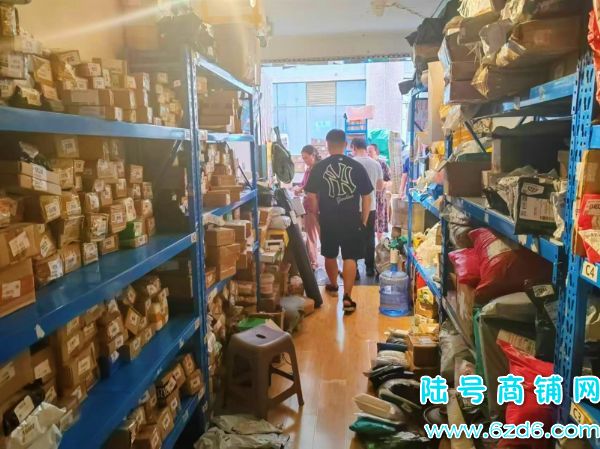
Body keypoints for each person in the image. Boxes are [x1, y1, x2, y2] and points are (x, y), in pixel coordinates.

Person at [305, 129, 373, 314]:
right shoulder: (356, 166)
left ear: (327, 145)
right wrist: (364, 220)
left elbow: (311, 196)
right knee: (350, 257)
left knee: (330, 254)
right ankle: (348, 297)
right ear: (345, 144)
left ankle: (334, 285)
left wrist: (316, 215)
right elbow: (367, 197)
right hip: (351, 219)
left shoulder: (318, 167)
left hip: (328, 218)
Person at [351, 138, 383, 278]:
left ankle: (354, 270)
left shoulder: (350, 163)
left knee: (353, 237)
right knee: (369, 236)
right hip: (370, 207)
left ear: (354, 147)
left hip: (353, 208)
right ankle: (370, 268)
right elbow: (380, 187)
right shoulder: (376, 164)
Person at [294, 145, 321, 270]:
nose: (304, 160)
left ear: (313, 155)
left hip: (318, 206)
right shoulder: (308, 169)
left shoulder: (318, 169)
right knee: (311, 235)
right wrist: (298, 187)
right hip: (308, 206)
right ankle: (313, 261)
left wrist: (302, 188)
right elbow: (304, 183)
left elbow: (311, 187)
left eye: (306, 157)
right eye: (303, 158)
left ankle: (330, 261)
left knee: (322, 234)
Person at [368, 143, 392, 243]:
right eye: (367, 152)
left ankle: (379, 243)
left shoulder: (382, 164)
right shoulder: (366, 165)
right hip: (368, 197)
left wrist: (384, 184)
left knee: (380, 222)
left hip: (380, 198)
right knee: (369, 221)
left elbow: (390, 180)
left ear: (376, 152)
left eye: (370, 151)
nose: (368, 154)